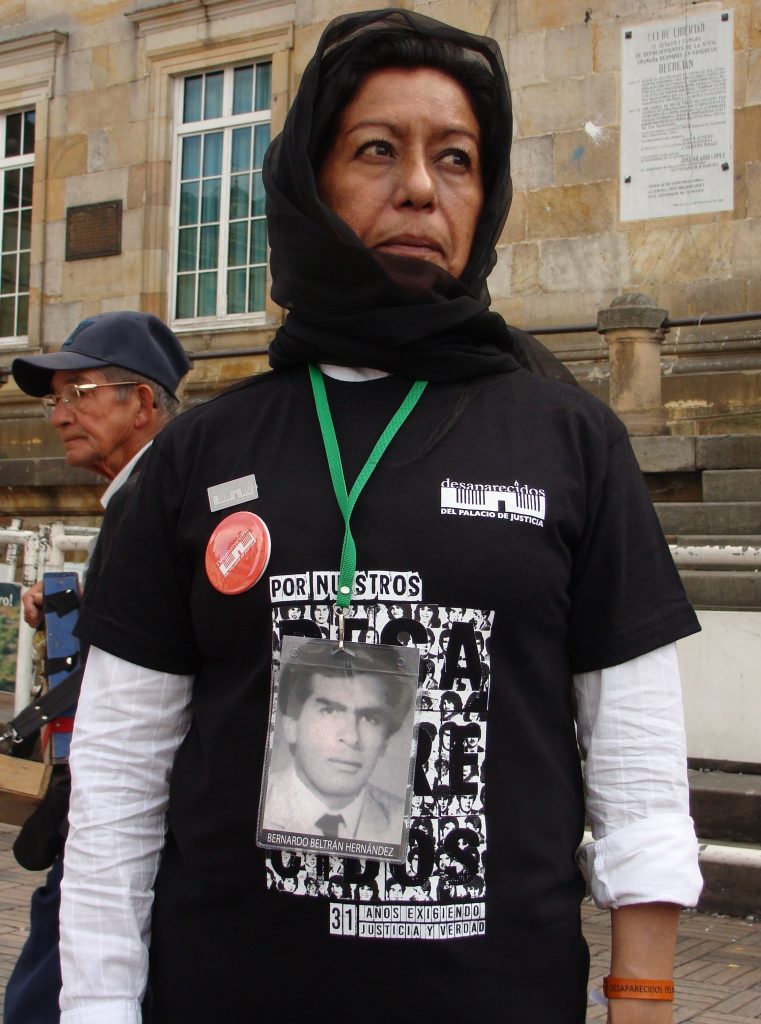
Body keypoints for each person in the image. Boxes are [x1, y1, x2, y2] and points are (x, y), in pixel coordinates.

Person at [60, 10, 702, 1024]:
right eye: (376, 150)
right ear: (310, 183)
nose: (418, 186)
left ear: (484, 198)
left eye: (455, 158)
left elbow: (637, 771)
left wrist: (642, 1000)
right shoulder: (199, 453)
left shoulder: (571, 440)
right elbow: (116, 783)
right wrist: (97, 1007)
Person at [6, 311, 190, 1024]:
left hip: (136, 840)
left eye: (77, 392)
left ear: (142, 403)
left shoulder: (169, 502)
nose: (58, 417)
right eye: (55, 399)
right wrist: (76, 603)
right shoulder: (141, 501)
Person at [261, 645, 415, 842]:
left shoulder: (402, 823)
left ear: (385, 741)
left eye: (370, 718)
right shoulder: (256, 806)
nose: (351, 737)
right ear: (291, 725)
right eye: (329, 711)